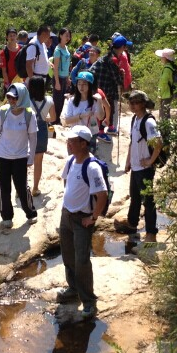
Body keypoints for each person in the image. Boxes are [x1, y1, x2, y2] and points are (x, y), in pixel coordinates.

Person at [56, 125, 108, 321]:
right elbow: (66, 182)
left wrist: (93, 218)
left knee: (82, 261)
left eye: (72, 141)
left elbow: (102, 195)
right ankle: (73, 289)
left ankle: (89, 301)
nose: (68, 144)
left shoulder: (92, 167)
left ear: (84, 143)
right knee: (68, 255)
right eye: (68, 140)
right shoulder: (70, 161)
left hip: (82, 220)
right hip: (67, 215)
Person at [0, 83, 38, 228]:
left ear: (22, 97)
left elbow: (33, 138)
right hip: (2, 156)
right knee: (4, 188)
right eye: (9, 97)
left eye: (15, 98)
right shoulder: (2, 112)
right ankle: (7, 217)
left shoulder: (29, 114)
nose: (11, 101)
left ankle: (30, 213)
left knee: (22, 188)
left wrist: (31, 157)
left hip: (20, 157)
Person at [116, 90, 161, 243]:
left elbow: (158, 143)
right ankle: (132, 224)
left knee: (148, 201)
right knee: (134, 197)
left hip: (145, 169)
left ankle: (151, 233)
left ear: (143, 104)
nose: (132, 105)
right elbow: (132, 142)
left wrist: (150, 161)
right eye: (131, 102)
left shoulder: (149, 122)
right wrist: (128, 161)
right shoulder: (135, 119)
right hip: (136, 167)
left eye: (136, 102)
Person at [63, 71, 107, 155]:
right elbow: (67, 120)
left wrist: (99, 101)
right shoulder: (72, 101)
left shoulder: (95, 101)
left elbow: (101, 117)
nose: (81, 87)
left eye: (84, 84)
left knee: (88, 159)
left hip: (91, 135)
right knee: (73, 159)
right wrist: (82, 115)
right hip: (75, 135)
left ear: (90, 85)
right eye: (79, 84)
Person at [88, 43, 123, 142]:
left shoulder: (104, 58)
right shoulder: (113, 60)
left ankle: (110, 127)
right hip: (104, 90)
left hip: (102, 88)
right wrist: (122, 76)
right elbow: (117, 79)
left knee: (109, 108)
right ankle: (100, 132)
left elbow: (91, 71)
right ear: (121, 48)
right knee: (103, 110)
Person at [28, 75, 56, 197]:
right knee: (38, 161)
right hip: (42, 131)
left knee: (23, 160)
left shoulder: (26, 101)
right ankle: (35, 188)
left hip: (28, 130)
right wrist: (45, 119)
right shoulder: (49, 100)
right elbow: (53, 118)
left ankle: (21, 188)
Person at [107, 34, 132, 133]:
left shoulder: (117, 55)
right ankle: (113, 127)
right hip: (116, 83)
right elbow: (124, 72)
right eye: (125, 46)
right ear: (122, 47)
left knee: (113, 105)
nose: (126, 48)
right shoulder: (120, 56)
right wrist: (124, 83)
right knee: (114, 105)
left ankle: (112, 126)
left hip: (115, 83)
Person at [51, 27, 73, 125]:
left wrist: (67, 78)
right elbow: (55, 68)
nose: (68, 38)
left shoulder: (66, 48)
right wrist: (57, 82)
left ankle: (58, 119)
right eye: (66, 35)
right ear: (60, 35)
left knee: (62, 100)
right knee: (57, 100)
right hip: (58, 78)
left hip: (64, 78)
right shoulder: (58, 50)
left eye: (69, 36)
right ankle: (54, 120)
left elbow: (67, 65)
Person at [155, 48, 177, 121]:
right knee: (165, 112)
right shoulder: (170, 67)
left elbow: (163, 82)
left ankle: (165, 127)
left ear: (165, 58)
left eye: (162, 57)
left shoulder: (167, 68)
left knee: (164, 114)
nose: (161, 58)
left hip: (165, 94)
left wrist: (160, 94)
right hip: (168, 93)